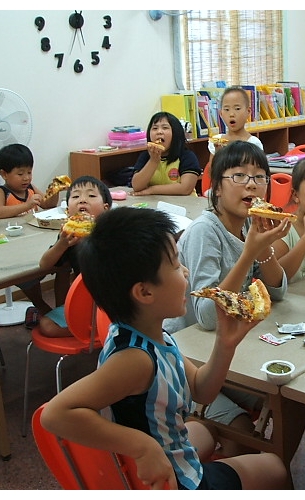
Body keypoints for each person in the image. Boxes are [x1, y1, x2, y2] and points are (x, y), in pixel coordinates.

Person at [40, 206, 288, 490]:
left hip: (167, 447)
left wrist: (225, 343)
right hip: (175, 480)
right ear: (145, 292)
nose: (185, 271)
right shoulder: (136, 360)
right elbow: (54, 414)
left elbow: (202, 389)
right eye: (175, 264)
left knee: (205, 429)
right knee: (275, 466)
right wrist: (143, 447)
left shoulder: (149, 334)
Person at [163, 140, 291, 455]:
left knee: (288, 403)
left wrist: (264, 250)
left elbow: (278, 290)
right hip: (186, 360)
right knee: (241, 430)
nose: (251, 183)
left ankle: (278, 470)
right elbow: (207, 316)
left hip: (228, 352)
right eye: (239, 176)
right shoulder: (206, 232)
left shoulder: (249, 223)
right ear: (217, 188)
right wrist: (249, 254)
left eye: (259, 176)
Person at [37, 176, 112, 337]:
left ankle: (102, 328)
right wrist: (62, 244)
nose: (82, 201)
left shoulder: (110, 233)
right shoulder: (69, 236)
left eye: (91, 196)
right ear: (67, 211)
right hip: (86, 303)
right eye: (76, 196)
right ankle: (93, 330)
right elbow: (44, 265)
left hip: (112, 300)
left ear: (106, 208)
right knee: (46, 325)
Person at [0, 143, 62, 320]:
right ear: (4, 174)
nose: (26, 178)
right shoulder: (3, 192)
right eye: (20, 174)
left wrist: (55, 191)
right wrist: (26, 205)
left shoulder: (31, 189)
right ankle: (40, 304)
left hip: (33, 241)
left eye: (29, 172)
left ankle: (61, 310)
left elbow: (48, 204)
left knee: (60, 265)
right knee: (26, 276)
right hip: (14, 247)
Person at [130, 111, 202, 196]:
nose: (159, 132)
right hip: (154, 205)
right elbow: (137, 186)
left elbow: (185, 188)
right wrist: (154, 161)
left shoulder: (187, 156)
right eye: (155, 128)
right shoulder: (145, 156)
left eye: (165, 128)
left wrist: (152, 190)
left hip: (183, 205)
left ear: (175, 133)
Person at [207, 86, 264, 159]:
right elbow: (212, 169)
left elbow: (257, 169)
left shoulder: (253, 143)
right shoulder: (216, 141)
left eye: (237, 109)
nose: (231, 114)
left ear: (248, 111)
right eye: (227, 109)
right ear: (221, 114)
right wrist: (218, 153)